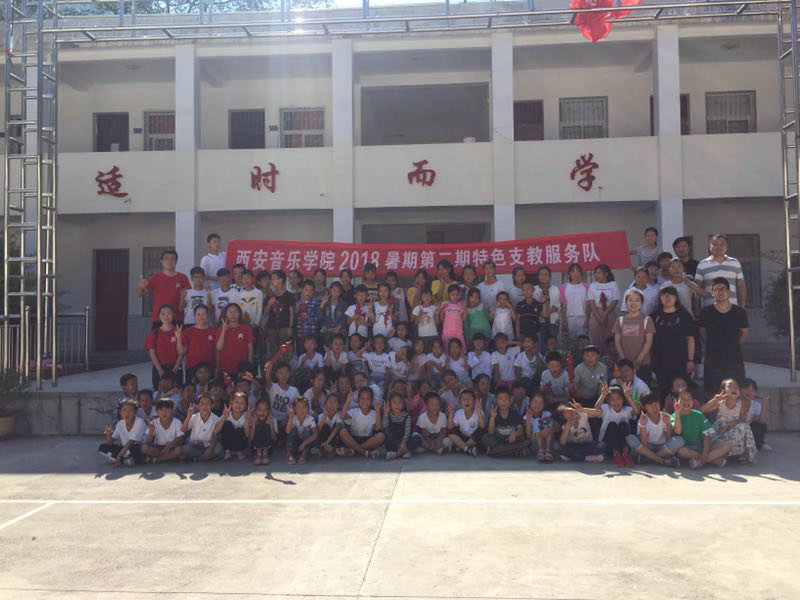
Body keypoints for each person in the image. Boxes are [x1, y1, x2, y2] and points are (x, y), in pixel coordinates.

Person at [698, 277, 748, 394]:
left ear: (729, 292)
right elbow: (702, 332)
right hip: (713, 358)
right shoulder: (706, 312)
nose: (720, 292)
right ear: (712, 293)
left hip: (734, 358)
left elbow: (744, 332)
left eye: (723, 289)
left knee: (735, 392)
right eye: (716, 289)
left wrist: (733, 345)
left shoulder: (739, 312)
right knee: (713, 393)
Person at [578, 383, 640, 466]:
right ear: (608, 401)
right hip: (608, 443)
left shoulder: (626, 410)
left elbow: (636, 411)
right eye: (612, 399)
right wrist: (603, 395)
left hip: (623, 443)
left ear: (623, 399)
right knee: (612, 425)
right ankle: (616, 454)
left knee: (623, 424)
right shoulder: (606, 408)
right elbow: (596, 408)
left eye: (618, 399)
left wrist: (628, 397)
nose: (616, 402)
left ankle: (626, 453)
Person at [651, 287, 696, 401]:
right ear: (660, 298)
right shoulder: (654, 316)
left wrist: (690, 360)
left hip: (681, 361)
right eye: (664, 295)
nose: (667, 298)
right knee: (664, 391)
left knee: (681, 393)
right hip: (660, 361)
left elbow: (690, 339)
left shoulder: (685, 316)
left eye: (670, 295)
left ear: (676, 298)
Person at [672, 388, 731, 468]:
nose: (686, 402)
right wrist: (677, 414)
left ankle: (700, 461)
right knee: (680, 451)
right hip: (688, 448)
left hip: (703, 445)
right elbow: (678, 431)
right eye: (683, 399)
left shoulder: (698, 414)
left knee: (727, 445)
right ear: (676, 402)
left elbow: (706, 434)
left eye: (689, 399)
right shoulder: (673, 416)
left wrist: (705, 452)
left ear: (693, 401)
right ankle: (712, 460)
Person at [705, 378, 758, 464]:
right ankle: (713, 458)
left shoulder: (743, 403)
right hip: (719, 430)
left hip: (732, 430)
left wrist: (728, 424)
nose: (734, 389)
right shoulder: (720, 403)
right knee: (707, 435)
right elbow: (701, 410)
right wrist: (714, 400)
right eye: (730, 387)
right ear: (723, 390)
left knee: (743, 426)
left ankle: (706, 460)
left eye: (736, 387)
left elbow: (743, 420)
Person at [136, 249, 191, 328]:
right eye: (166, 259)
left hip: (177, 318)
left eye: (172, 259)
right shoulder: (155, 277)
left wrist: (183, 301)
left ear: (176, 261)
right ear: (161, 261)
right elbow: (139, 294)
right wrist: (140, 287)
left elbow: (188, 300)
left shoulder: (183, 278)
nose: (169, 261)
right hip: (159, 319)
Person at [624, 393, 683, 466]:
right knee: (630, 438)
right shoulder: (643, 419)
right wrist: (643, 425)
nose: (654, 407)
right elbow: (644, 444)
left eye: (656, 403)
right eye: (650, 405)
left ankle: (648, 458)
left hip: (663, 448)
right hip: (648, 447)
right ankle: (662, 460)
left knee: (679, 440)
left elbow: (668, 437)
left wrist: (668, 425)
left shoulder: (664, 416)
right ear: (644, 407)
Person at [612, 290, 655, 385]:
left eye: (637, 300)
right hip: (624, 365)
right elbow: (617, 341)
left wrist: (637, 362)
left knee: (643, 391)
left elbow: (649, 342)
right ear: (626, 302)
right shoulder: (620, 320)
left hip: (643, 364)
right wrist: (624, 360)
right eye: (630, 300)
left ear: (642, 303)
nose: (633, 303)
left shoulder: (647, 320)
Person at [695, 234, 747, 308]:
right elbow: (697, 288)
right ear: (710, 246)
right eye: (715, 244)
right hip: (710, 309)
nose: (719, 247)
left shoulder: (735, 262)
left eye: (722, 244)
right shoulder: (702, 264)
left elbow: (741, 285)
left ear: (727, 246)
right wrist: (696, 309)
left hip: (731, 308)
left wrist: (742, 305)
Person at [337, 387, 385, 458]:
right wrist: (348, 401)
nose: (364, 401)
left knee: (381, 436)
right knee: (342, 431)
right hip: (353, 439)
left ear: (371, 401)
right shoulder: (354, 411)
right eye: (362, 398)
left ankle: (354, 450)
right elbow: (342, 416)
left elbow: (378, 427)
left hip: (368, 440)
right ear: (358, 400)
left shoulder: (374, 413)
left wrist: (378, 411)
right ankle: (364, 452)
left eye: (367, 399)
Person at [482, 386, 528, 457]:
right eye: (500, 399)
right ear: (496, 400)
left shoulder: (514, 413)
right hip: (499, 439)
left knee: (522, 438)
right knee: (486, 437)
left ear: (510, 400)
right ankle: (513, 451)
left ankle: (500, 451)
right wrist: (492, 418)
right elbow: (490, 432)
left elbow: (521, 430)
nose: (503, 402)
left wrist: (515, 434)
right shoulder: (494, 412)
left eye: (506, 399)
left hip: (511, 439)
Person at [99, 398, 146, 466]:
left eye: (130, 410)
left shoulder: (139, 422)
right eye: (124, 410)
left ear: (135, 412)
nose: (127, 413)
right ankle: (125, 460)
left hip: (135, 447)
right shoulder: (120, 423)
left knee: (135, 448)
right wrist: (109, 434)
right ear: (120, 412)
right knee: (102, 447)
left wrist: (118, 456)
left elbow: (131, 442)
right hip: (125, 449)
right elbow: (111, 442)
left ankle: (120, 459)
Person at [144, 304, 181, 389]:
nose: (166, 316)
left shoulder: (178, 332)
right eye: (163, 314)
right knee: (159, 392)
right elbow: (152, 353)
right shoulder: (155, 333)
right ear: (159, 316)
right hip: (160, 367)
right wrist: (159, 369)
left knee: (177, 392)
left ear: (173, 315)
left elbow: (181, 353)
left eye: (169, 313)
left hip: (175, 367)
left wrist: (175, 368)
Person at [178, 305, 216, 382]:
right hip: (192, 367)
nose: (201, 317)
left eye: (204, 314)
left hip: (209, 368)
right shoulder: (187, 332)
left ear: (208, 315)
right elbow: (181, 352)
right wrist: (178, 337)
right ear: (194, 316)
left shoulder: (213, 331)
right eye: (198, 314)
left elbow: (216, 350)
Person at [180, 394, 224, 462]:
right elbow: (183, 430)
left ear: (212, 406)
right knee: (185, 449)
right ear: (198, 406)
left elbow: (215, 434)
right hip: (194, 445)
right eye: (202, 403)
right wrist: (188, 416)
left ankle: (197, 459)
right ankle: (205, 458)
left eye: (207, 404)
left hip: (208, 445)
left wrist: (211, 448)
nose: (205, 406)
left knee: (219, 449)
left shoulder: (216, 419)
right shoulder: (194, 417)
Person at [215, 303, 254, 378]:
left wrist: (249, 368)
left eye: (236, 311)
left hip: (242, 369)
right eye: (230, 311)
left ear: (239, 313)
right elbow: (218, 348)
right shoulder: (220, 329)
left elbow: (250, 350)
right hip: (225, 368)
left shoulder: (246, 328)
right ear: (226, 314)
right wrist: (224, 330)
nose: (233, 314)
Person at [141, 399, 184, 464]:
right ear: (157, 412)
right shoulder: (154, 422)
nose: (164, 412)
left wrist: (170, 445)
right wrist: (151, 432)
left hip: (172, 446)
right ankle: (168, 458)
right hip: (157, 447)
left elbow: (180, 438)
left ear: (172, 410)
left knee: (178, 450)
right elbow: (148, 443)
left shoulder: (177, 422)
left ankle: (157, 460)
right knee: (144, 448)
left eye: (167, 409)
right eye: (161, 410)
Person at [264, 270, 295, 359]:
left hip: (284, 326)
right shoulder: (270, 295)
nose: (272, 281)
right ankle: (274, 366)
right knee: (272, 349)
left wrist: (290, 327)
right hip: (272, 326)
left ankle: (283, 365)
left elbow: (291, 313)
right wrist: (269, 304)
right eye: (271, 279)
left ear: (281, 280)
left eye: (274, 278)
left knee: (283, 349)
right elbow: (265, 313)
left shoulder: (289, 295)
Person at [587, 264, 620, 347]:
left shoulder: (613, 284)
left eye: (599, 273)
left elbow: (615, 300)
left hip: (610, 312)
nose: (596, 275)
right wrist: (598, 317)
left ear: (606, 274)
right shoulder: (593, 285)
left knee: (610, 338)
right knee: (597, 338)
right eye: (595, 273)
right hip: (596, 313)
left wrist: (605, 314)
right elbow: (591, 302)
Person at [447, 389, 484, 457]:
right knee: (450, 431)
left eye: (469, 399)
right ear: (460, 403)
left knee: (481, 431)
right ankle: (466, 449)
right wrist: (451, 413)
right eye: (464, 399)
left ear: (474, 401)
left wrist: (478, 412)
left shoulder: (479, 411)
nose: (466, 401)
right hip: (463, 437)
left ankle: (460, 447)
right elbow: (450, 427)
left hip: (474, 439)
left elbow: (482, 426)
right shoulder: (458, 413)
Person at [533, 266, 561, 348]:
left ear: (550, 277)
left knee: (553, 346)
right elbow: (534, 306)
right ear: (538, 276)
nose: (543, 277)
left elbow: (557, 306)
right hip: (540, 322)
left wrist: (547, 313)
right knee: (541, 345)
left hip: (553, 322)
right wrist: (543, 314)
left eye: (546, 274)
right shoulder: (534, 289)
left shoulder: (555, 289)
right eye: (541, 274)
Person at [286, 397, 318, 465]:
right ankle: (290, 453)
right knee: (293, 429)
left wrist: (304, 443)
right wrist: (290, 417)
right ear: (294, 410)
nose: (301, 410)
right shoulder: (293, 418)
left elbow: (315, 434)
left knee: (307, 429)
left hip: (305, 442)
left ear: (308, 409)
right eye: (298, 408)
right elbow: (287, 431)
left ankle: (304, 453)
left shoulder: (310, 419)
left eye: (304, 407)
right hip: (295, 442)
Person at [561, 263, 589, 340]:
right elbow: (563, 305)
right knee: (570, 342)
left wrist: (587, 320)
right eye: (573, 271)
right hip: (569, 318)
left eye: (578, 271)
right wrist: (564, 321)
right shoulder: (564, 287)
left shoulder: (586, 287)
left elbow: (588, 305)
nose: (575, 274)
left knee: (582, 342)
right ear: (569, 274)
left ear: (581, 273)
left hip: (583, 318)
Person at [524, 392, 555, 461]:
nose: (537, 405)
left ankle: (548, 451)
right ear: (530, 403)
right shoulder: (526, 417)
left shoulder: (547, 414)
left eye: (540, 403)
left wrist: (549, 430)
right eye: (535, 402)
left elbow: (556, 427)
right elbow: (528, 435)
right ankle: (540, 450)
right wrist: (528, 420)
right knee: (536, 421)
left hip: (549, 442)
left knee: (547, 420)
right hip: (536, 445)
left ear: (544, 405)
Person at [741, 378, 770, 451]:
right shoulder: (735, 402)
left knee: (760, 425)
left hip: (748, 429)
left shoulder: (756, 405)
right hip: (735, 428)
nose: (749, 392)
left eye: (752, 390)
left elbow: (762, 421)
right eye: (746, 389)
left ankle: (759, 443)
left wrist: (764, 407)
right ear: (740, 390)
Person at [382, 392, 413, 460]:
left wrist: (403, 442)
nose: (397, 405)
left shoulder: (406, 416)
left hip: (404, 442)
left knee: (417, 437)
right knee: (385, 430)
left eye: (399, 402)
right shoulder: (389, 415)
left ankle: (397, 454)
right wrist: (386, 413)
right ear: (390, 404)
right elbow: (385, 426)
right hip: (393, 443)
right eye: (394, 402)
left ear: (403, 404)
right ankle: (404, 451)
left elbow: (407, 432)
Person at [219, 392, 250, 461]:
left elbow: (247, 434)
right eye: (236, 402)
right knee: (227, 424)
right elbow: (216, 431)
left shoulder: (246, 416)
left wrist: (247, 420)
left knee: (239, 430)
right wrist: (224, 417)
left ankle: (239, 451)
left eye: (242, 403)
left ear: (246, 406)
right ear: (231, 403)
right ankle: (228, 451)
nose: (239, 405)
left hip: (241, 443)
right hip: (228, 442)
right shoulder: (227, 414)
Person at [246, 398, 276, 465]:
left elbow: (274, 438)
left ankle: (265, 454)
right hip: (255, 448)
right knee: (258, 427)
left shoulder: (272, 419)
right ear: (255, 410)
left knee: (266, 427)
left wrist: (271, 424)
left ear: (268, 411)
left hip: (268, 448)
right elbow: (250, 439)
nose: (262, 412)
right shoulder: (252, 418)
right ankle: (258, 455)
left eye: (265, 410)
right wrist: (254, 423)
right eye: (259, 410)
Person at [295, 279, 321, 351]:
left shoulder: (316, 303)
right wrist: (296, 312)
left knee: (312, 353)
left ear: (313, 292)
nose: (308, 292)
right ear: (302, 290)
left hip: (312, 333)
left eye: (311, 290)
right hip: (300, 334)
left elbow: (319, 318)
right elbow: (295, 319)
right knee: (301, 353)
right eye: (306, 290)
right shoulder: (298, 303)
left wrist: (308, 317)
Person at [438, 284, 467, 351]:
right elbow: (441, 319)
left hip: (458, 331)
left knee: (461, 350)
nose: (455, 297)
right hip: (447, 332)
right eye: (452, 295)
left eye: (457, 295)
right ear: (449, 295)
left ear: (459, 295)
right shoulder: (445, 304)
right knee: (447, 351)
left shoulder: (461, 304)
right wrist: (441, 309)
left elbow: (464, 319)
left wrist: (465, 308)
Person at [320, 281, 348, 346]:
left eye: (338, 291)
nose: (335, 293)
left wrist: (338, 327)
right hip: (327, 329)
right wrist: (322, 304)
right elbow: (319, 318)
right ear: (330, 290)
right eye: (334, 290)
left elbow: (344, 318)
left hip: (339, 329)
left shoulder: (344, 304)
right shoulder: (325, 303)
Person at [316, 393, 344, 457]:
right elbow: (317, 432)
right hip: (323, 439)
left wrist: (327, 442)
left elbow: (336, 429)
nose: (332, 404)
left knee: (338, 428)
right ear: (325, 404)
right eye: (330, 402)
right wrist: (324, 417)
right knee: (325, 426)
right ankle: (321, 449)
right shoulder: (321, 416)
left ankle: (331, 449)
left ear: (338, 406)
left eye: (335, 402)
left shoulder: (339, 415)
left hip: (332, 439)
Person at [515, 280, 542, 344]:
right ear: (522, 291)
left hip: (535, 332)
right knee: (523, 349)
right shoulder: (520, 304)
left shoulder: (538, 304)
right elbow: (517, 320)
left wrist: (544, 302)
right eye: (524, 289)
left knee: (535, 349)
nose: (526, 291)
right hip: (523, 333)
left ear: (533, 289)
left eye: (528, 288)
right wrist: (518, 335)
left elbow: (545, 316)